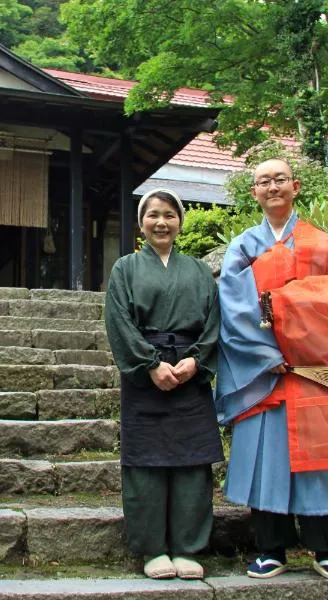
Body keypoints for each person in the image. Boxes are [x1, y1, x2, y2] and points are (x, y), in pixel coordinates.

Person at [216, 158, 328, 582]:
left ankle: (327, 549)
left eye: (279, 179)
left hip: (313, 371)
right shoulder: (243, 247)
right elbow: (233, 307)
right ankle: (271, 549)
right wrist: (272, 354)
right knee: (266, 459)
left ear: (295, 186)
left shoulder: (323, 245)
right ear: (254, 192)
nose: (272, 187)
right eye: (263, 181)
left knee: (321, 462)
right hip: (267, 372)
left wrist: (292, 307)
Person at [104, 188, 223, 580]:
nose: (161, 222)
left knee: (192, 462)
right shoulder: (125, 268)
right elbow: (119, 321)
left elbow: (214, 321)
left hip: (190, 371)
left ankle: (188, 547)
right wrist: (150, 365)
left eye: (170, 215)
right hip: (145, 374)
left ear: (180, 223)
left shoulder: (199, 271)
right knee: (145, 464)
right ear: (141, 223)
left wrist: (197, 360)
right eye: (153, 214)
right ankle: (152, 549)